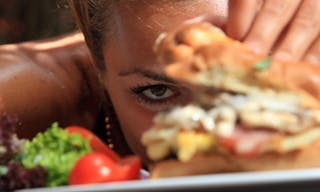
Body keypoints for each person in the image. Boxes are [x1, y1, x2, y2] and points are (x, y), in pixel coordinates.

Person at [0, 0, 319, 164]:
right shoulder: (35, 90)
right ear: (100, 66)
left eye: (249, 87)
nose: (209, 134)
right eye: (158, 91)